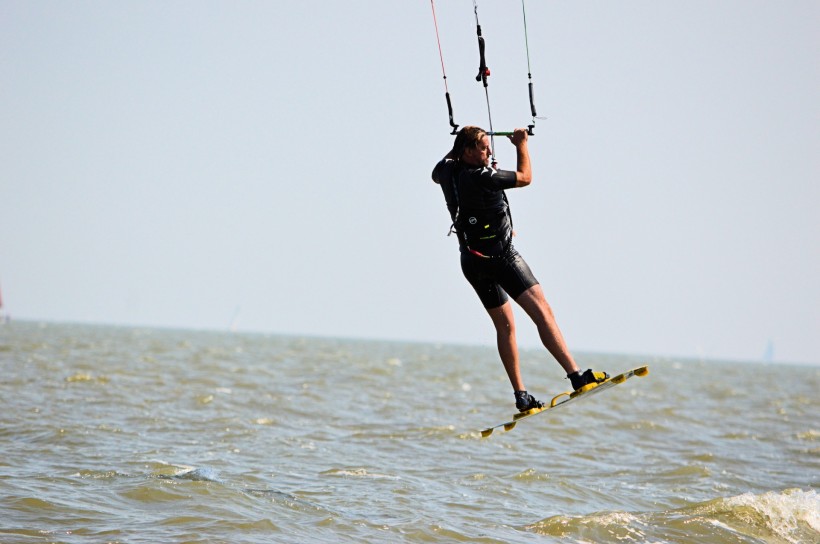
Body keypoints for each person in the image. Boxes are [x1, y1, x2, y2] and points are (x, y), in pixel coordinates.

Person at [431, 125, 608, 412]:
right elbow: (525, 178)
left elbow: (439, 169)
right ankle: (577, 376)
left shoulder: (447, 172)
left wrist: (464, 142)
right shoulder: (482, 176)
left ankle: (521, 396)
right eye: (483, 147)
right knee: (543, 313)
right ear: (467, 151)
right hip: (501, 258)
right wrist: (520, 144)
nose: (489, 151)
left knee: (506, 327)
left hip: (472, 261)